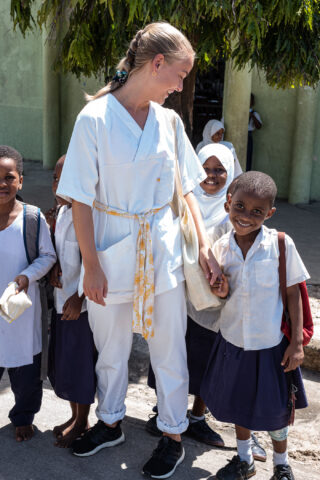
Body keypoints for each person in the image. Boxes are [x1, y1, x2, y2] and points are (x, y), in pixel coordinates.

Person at [56, 22, 221, 478]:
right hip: (108, 251)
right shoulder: (94, 118)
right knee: (109, 346)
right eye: (180, 75)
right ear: (157, 63)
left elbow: (186, 189)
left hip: (163, 250)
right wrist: (91, 266)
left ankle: (171, 432)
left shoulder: (169, 121)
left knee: (168, 347)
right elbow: (81, 198)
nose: (182, 86)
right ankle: (110, 421)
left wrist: (204, 246)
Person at [201, 171, 309, 480]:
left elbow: (293, 295)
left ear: (270, 213)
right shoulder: (220, 248)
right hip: (233, 342)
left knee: (276, 412)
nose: (246, 216)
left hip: (270, 347)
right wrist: (219, 287)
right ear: (227, 205)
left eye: (257, 212)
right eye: (240, 207)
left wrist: (297, 344)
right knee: (238, 405)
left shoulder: (280, 245)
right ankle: (245, 459)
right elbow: (219, 290)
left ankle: (282, 464)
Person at [146, 143, 234, 446]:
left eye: (219, 169)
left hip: (209, 308)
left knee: (202, 361)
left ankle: (196, 416)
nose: (210, 176)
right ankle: (165, 412)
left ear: (230, 173)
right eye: (205, 169)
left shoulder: (234, 213)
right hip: (173, 298)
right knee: (169, 354)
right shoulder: (180, 205)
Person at [0, 145, 56, 441]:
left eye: (9, 177)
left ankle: (23, 417)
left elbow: (47, 256)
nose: (2, 184)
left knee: (25, 375)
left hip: (21, 313)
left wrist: (27, 276)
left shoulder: (32, 219)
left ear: (20, 180)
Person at [48, 155, 96, 448]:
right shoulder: (63, 213)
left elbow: (95, 262)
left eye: (64, 178)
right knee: (65, 361)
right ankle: (74, 416)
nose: (57, 184)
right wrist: (54, 268)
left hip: (81, 307)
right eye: (55, 178)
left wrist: (79, 297)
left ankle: (82, 421)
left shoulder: (88, 216)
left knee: (80, 366)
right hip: (60, 301)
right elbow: (59, 252)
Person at [246, 94, 262, 171]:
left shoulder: (254, 113)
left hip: (248, 136)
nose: (248, 101)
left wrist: (252, 116)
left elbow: (259, 126)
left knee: (248, 157)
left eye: (251, 100)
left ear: (253, 102)